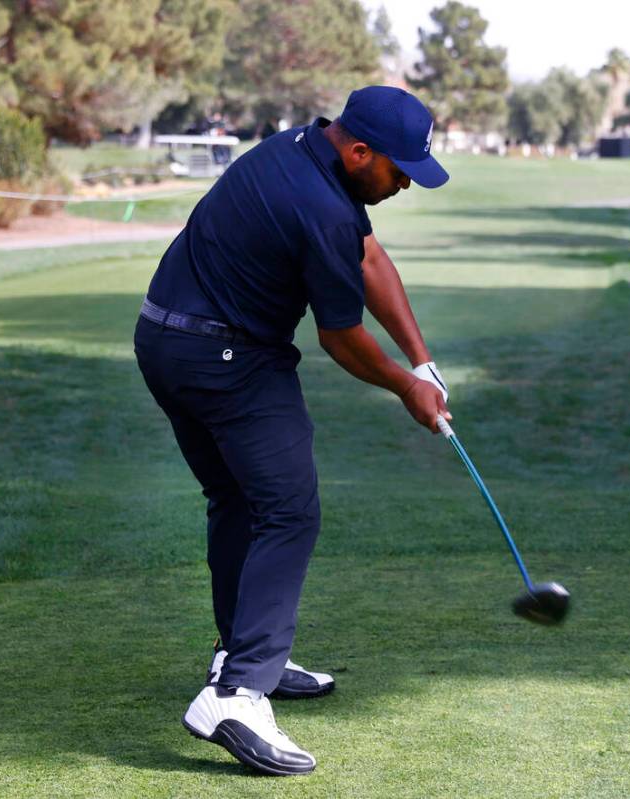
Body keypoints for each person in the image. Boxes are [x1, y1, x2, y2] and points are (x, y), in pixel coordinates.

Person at [133, 86, 451, 776]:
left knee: (240, 499)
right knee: (289, 509)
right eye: (399, 170)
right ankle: (238, 691)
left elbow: (369, 261)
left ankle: (244, 655)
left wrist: (423, 360)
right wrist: (406, 387)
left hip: (163, 340)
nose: (403, 184)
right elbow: (340, 337)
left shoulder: (293, 150)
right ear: (359, 150)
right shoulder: (322, 210)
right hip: (225, 357)